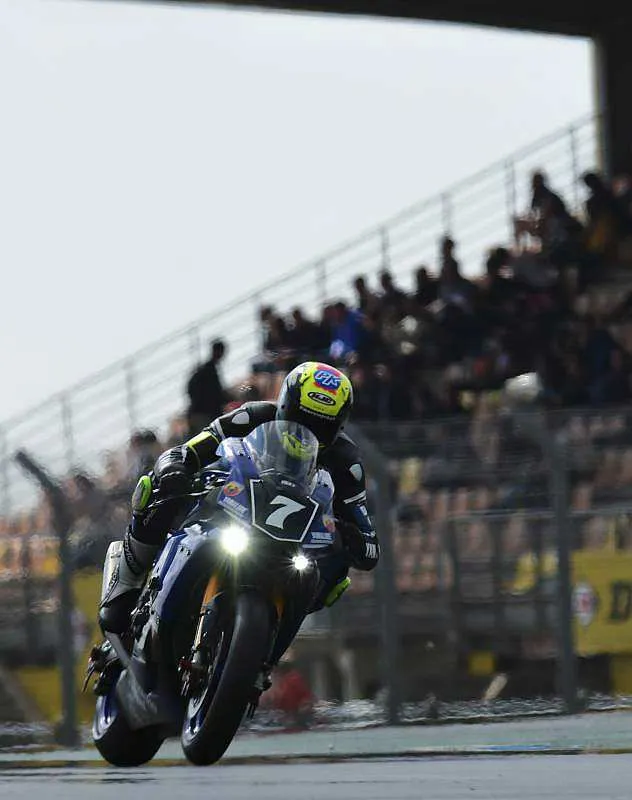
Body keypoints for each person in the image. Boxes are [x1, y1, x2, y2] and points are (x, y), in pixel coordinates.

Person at [100, 361, 380, 670]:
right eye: (302, 418)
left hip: (291, 544)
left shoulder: (346, 462)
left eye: (322, 426)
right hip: (232, 508)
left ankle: (267, 654)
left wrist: (355, 539)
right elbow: (188, 450)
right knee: (154, 487)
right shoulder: (252, 416)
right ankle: (126, 585)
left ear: (339, 425)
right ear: (285, 405)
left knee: (337, 575)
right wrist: (174, 468)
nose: (308, 432)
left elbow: (367, 538)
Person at [186, 339, 227, 435]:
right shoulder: (208, 370)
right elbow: (214, 393)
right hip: (203, 414)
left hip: (201, 412)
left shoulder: (207, 369)